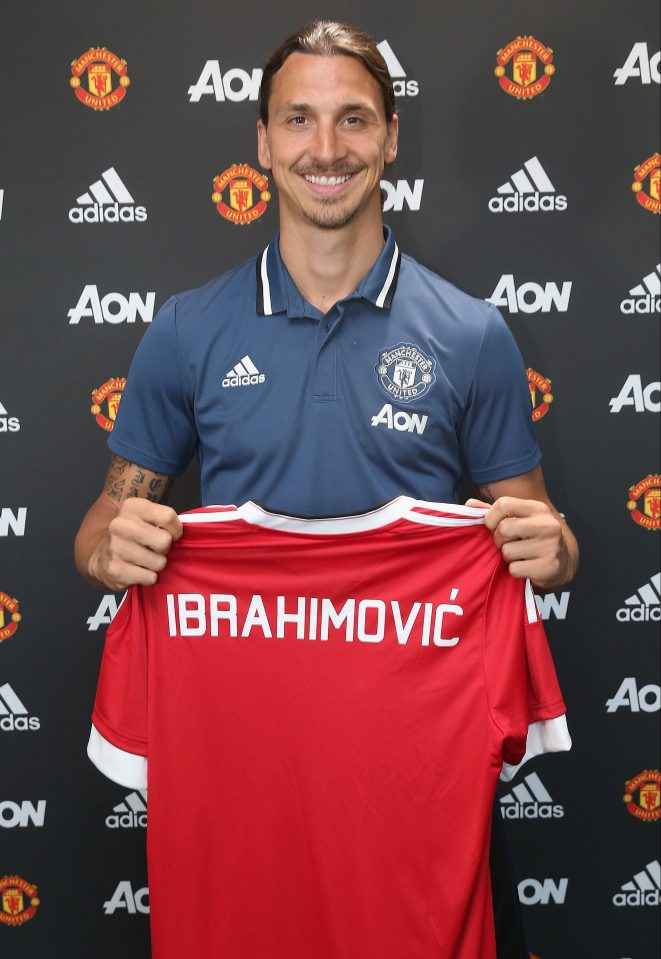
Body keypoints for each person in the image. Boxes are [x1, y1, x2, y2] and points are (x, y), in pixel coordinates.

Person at [75, 19, 578, 956]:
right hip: (243, 762)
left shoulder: (471, 335)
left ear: (390, 136)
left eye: (352, 120)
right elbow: (101, 526)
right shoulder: (186, 332)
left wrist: (553, 549)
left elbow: (536, 530)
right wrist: (112, 548)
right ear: (262, 143)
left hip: (406, 774)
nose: (325, 148)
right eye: (298, 120)